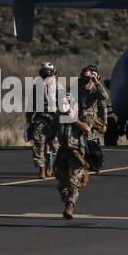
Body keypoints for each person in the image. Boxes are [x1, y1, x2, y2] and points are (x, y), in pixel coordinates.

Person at [49, 92, 93, 220]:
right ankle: (67, 199)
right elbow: (51, 132)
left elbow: (87, 128)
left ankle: (70, 206)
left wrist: (74, 119)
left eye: (66, 102)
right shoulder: (58, 116)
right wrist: (48, 145)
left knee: (73, 181)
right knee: (61, 184)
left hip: (76, 152)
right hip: (63, 152)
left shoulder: (80, 113)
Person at [24, 62, 58, 179]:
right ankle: (41, 169)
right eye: (44, 72)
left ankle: (50, 166)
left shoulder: (58, 87)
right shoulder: (36, 87)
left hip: (54, 120)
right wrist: (29, 121)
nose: (46, 74)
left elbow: (65, 105)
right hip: (40, 120)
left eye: (48, 72)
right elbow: (30, 105)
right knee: (39, 145)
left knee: (55, 146)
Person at [77, 64, 110, 173]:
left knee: (92, 144)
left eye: (89, 76)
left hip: (91, 120)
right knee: (78, 144)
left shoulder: (97, 89)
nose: (86, 79)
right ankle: (83, 163)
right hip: (77, 119)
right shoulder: (77, 86)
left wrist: (104, 123)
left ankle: (96, 163)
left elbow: (104, 102)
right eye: (84, 76)